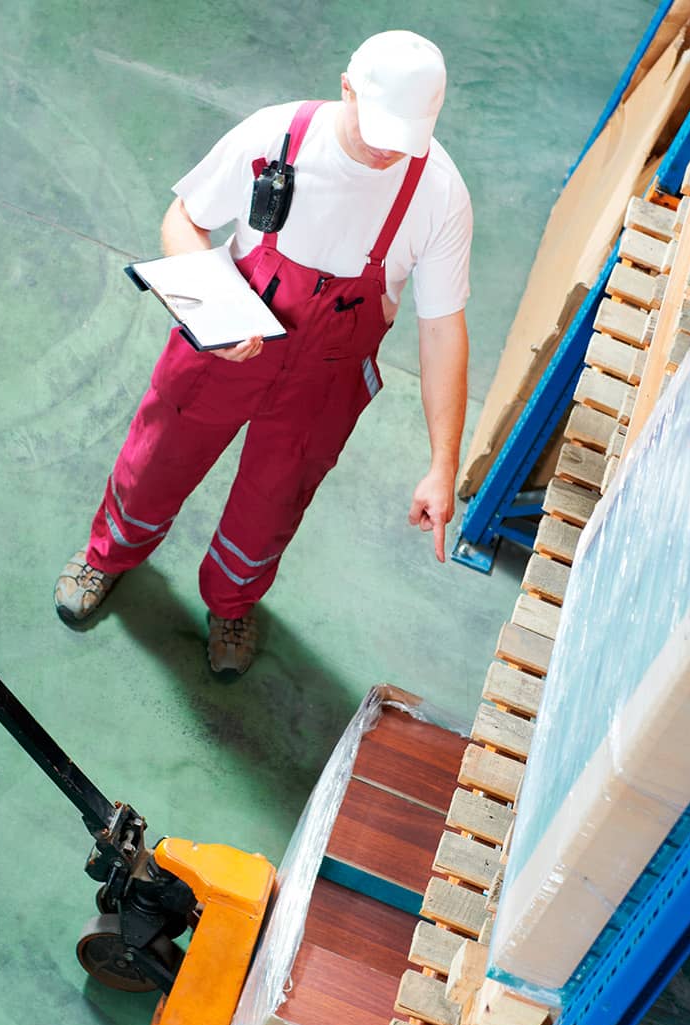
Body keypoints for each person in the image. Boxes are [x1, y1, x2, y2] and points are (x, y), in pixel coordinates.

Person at [54, 30, 473, 677]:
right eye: (378, 127)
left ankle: (232, 602)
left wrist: (444, 464)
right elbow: (183, 221)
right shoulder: (275, 137)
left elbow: (443, 327)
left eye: (405, 137)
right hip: (227, 349)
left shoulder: (439, 194)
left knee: (275, 500)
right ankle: (107, 555)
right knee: (157, 458)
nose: (389, 149)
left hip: (324, 380)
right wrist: (214, 313)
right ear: (346, 88)